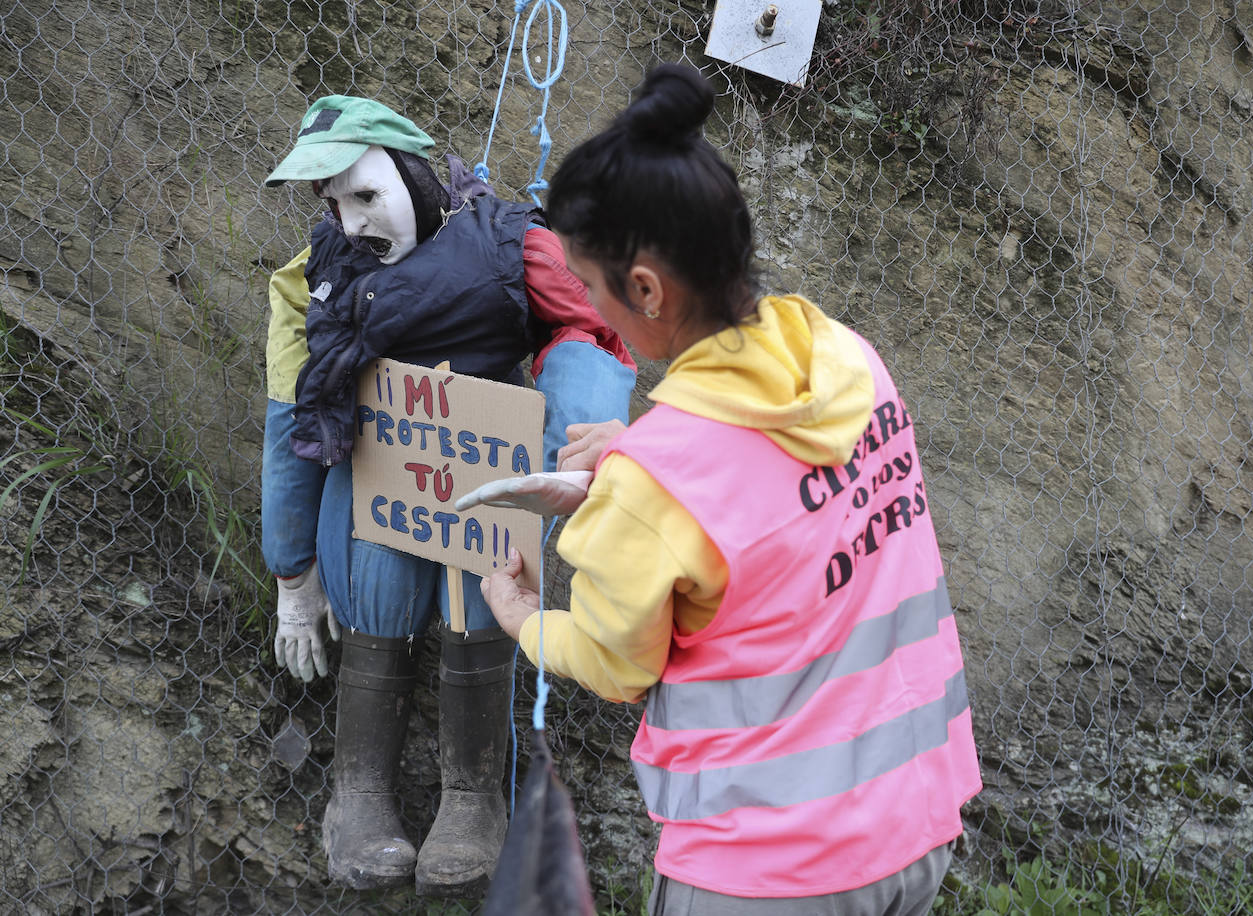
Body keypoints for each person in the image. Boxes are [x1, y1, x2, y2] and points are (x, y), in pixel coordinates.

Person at [479, 64, 982, 915]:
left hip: (769, 869)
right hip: (915, 828)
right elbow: (778, 493)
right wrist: (643, 453)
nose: (588, 304)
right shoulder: (849, 361)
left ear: (643, 290)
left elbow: (615, 663)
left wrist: (524, 618)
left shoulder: (657, 481)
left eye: (590, 288)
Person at [258, 95, 636, 896]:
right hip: (375, 471)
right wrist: (292, 572)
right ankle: (357, 794)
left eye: (365, 195)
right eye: (332, 203)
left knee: (486, 584)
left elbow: (589, 331)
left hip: (488, 463)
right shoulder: (317, 275)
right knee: (379, 580)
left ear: (412, 174)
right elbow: (291, 407)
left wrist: (574, 446)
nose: (352, 221)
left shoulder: (512, 245)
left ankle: (472, 799)